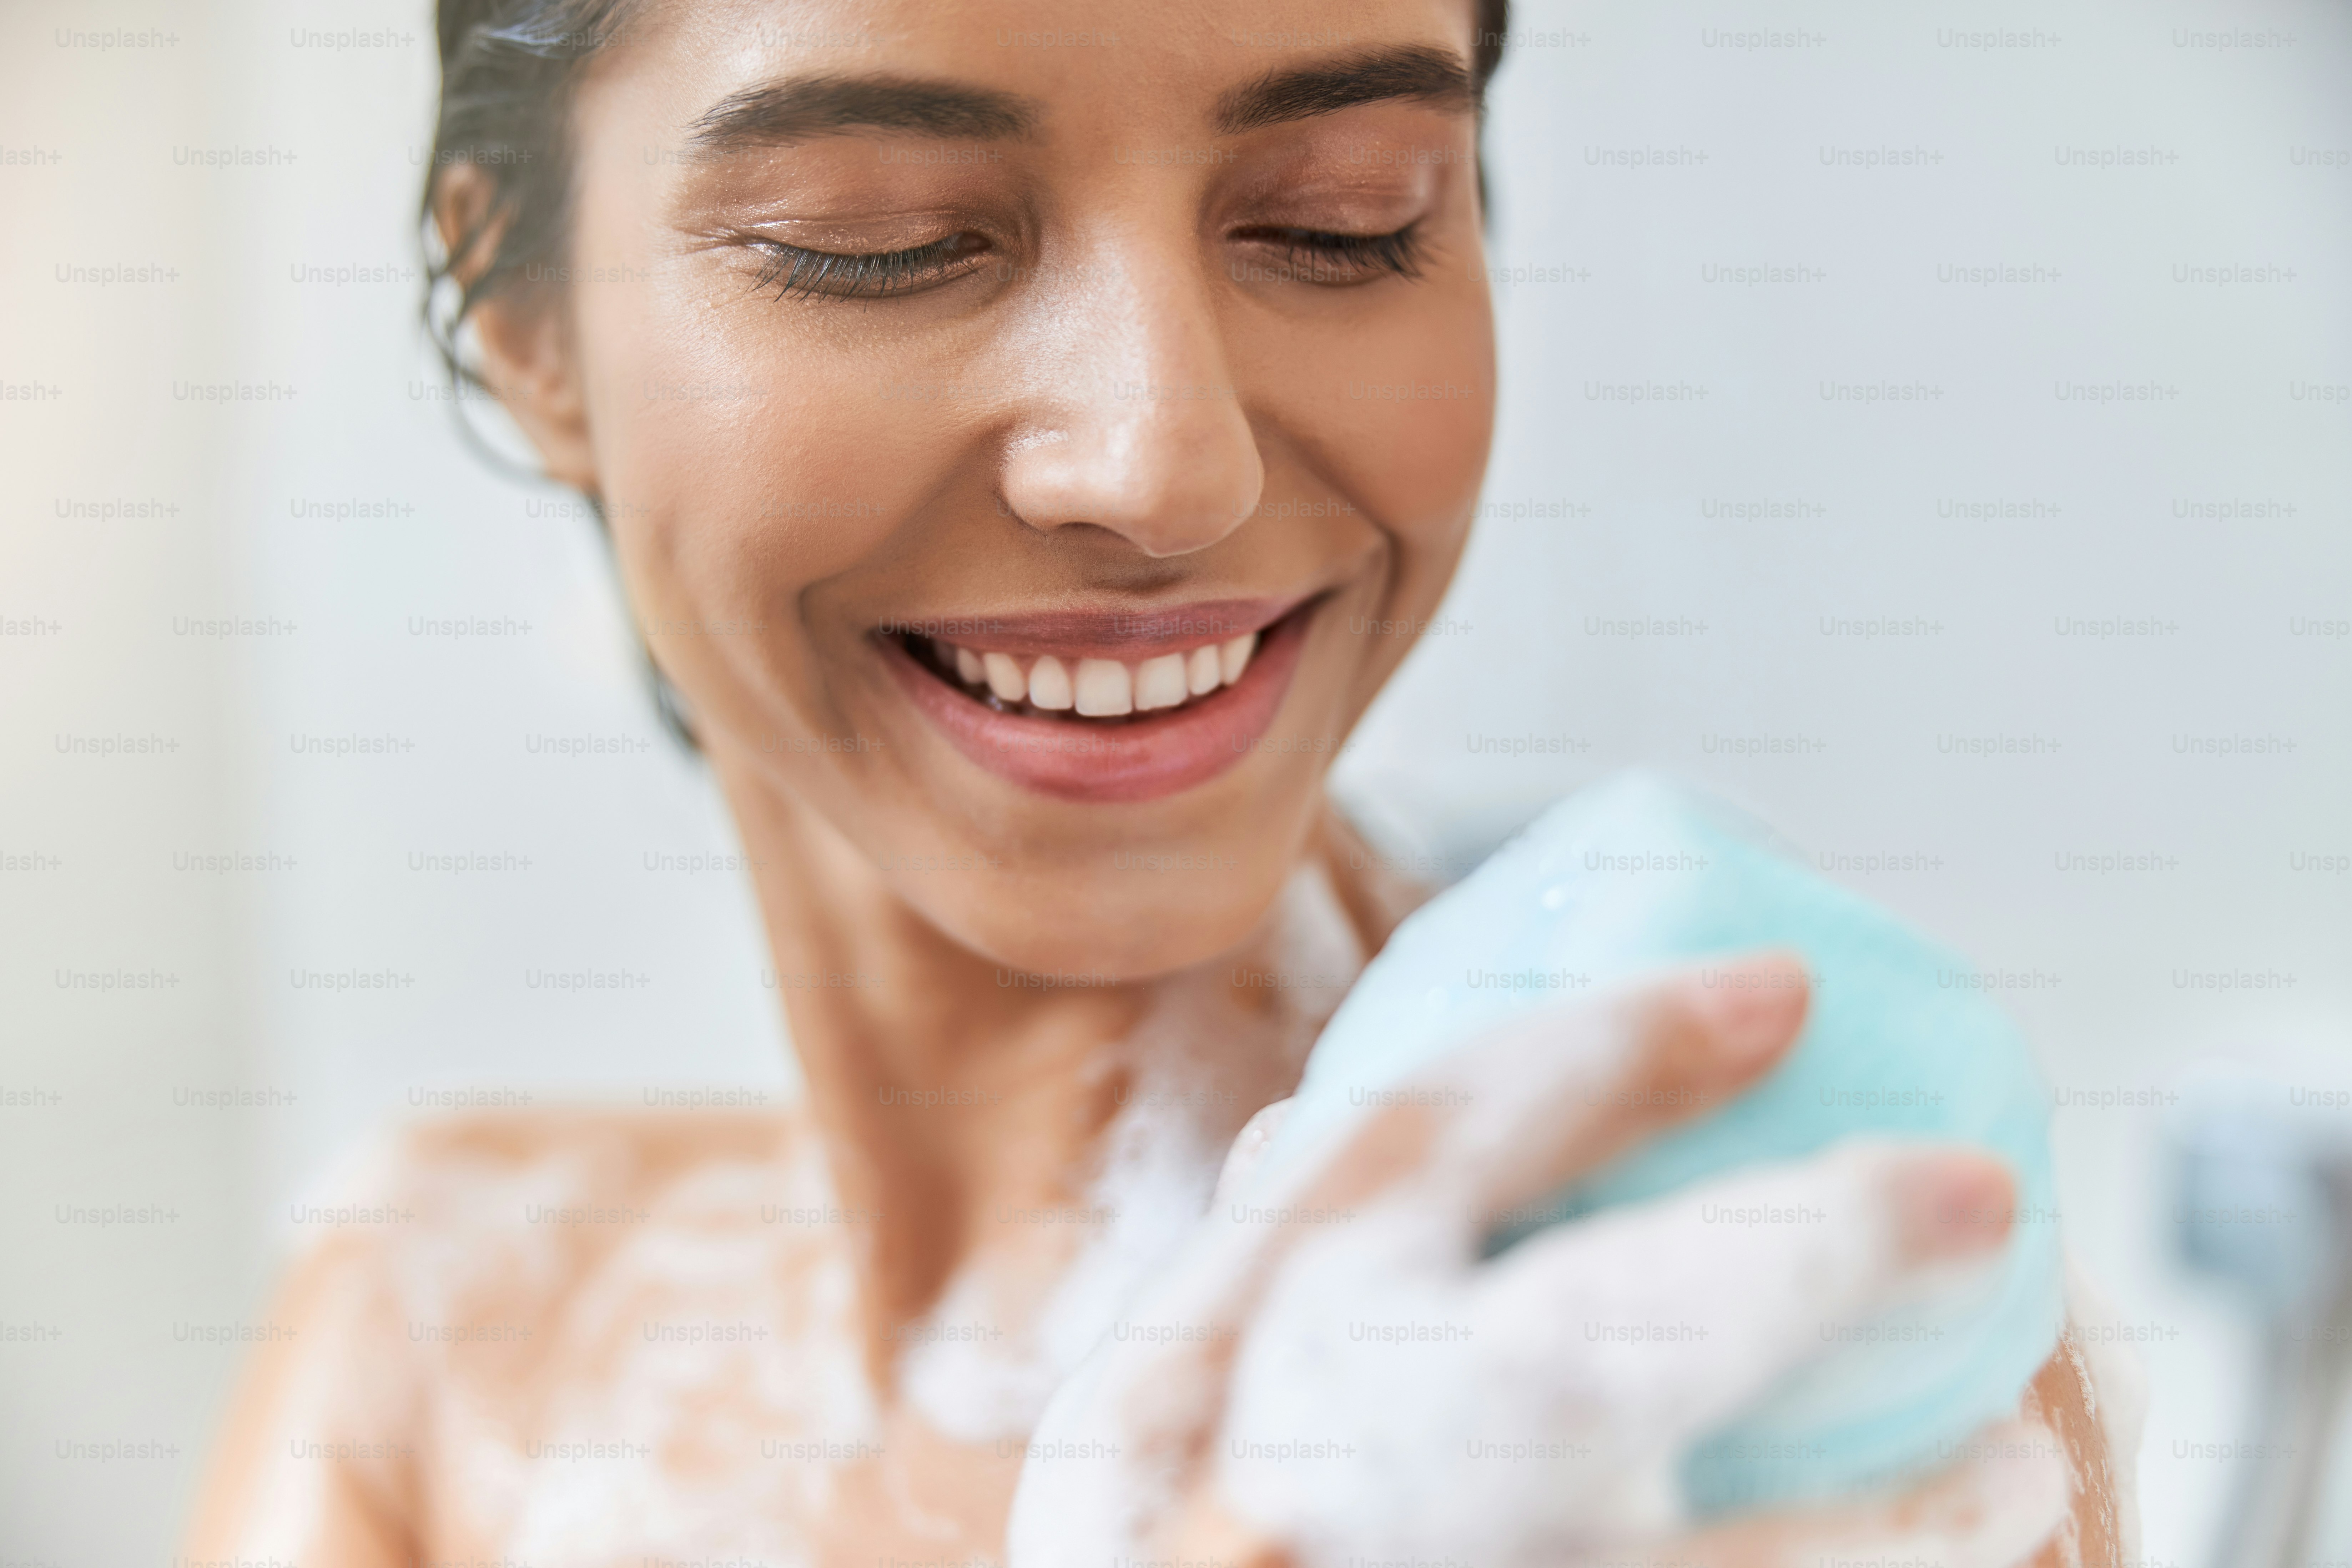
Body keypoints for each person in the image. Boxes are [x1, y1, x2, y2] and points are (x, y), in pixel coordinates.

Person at [187, 0, 2137, 1561]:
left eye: (1344, 218)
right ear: (528, 331)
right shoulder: (446, 1328)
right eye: (878, 244)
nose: (1163, 459)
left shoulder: (1711, 1320)